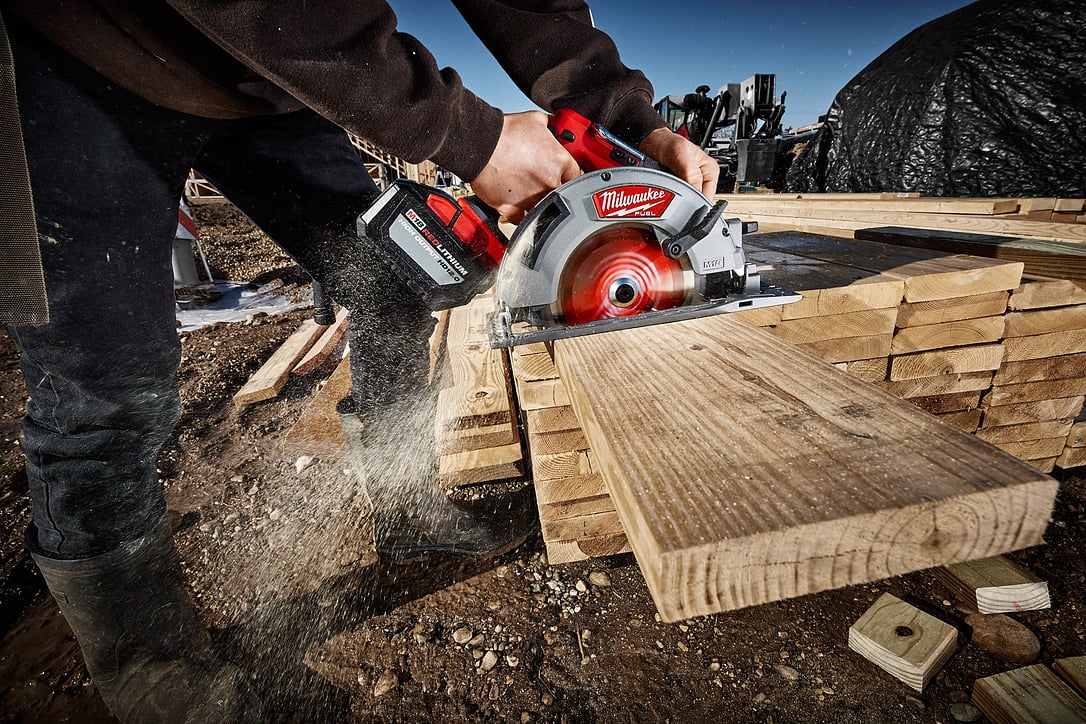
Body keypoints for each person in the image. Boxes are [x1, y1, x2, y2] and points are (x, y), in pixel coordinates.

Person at [0, 1, 718, 720]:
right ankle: (161, 686)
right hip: (73, 58)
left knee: (397, 283)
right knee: (107, 395)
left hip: (261, 83)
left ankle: (406, 516)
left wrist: (632, 125)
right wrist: (472, 136)